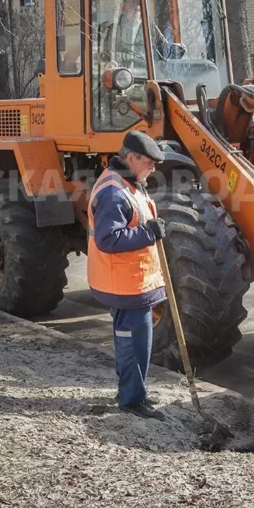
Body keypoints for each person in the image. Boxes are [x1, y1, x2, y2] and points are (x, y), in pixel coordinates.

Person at [86, 130, 168, 419]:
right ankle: (133, 401)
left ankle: (132, 392)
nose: (154, 167)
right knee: (134, 343)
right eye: (149, 161)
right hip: (126, 285)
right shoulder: (113, 192)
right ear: (131, 157)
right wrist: (149, 232)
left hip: (133, 282)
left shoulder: (128, 182)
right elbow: (108, 239)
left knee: (133, 341)